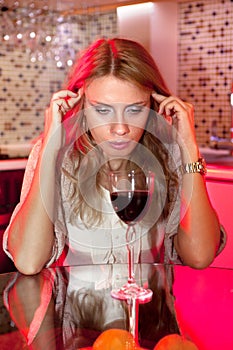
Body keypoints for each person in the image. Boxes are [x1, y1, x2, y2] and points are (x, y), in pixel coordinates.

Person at [3, 37, 225, 275]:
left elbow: (200, 257)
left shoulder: (169, 154)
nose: (120, 128)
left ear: (152, 104)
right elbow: (28, 261)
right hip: (77, 310)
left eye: (134, 109)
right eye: (102, 110)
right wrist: (49, 151)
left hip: (147, 311)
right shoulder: (56, 154)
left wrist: (189, 147)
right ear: (81, 105)